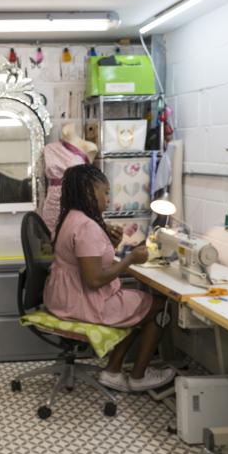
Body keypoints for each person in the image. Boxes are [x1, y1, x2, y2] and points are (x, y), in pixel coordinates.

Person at [42, 164, 174, 392]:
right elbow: (94, 280)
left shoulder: (71, 218)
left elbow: (89, 262)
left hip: (63, 298)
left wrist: (111, 245)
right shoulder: (87, 226)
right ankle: (138, 376)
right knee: (160, 307)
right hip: (82, 303)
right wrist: (130, 259)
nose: (108, 199)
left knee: (136, 305)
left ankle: (113, 371)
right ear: (88, 192)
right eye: (105, 192)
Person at [39, 123, 97, 232]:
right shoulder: (49, 148)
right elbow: (43, 180)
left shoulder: (89, 147)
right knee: (50, 236)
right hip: (52, 203)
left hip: (75, 197)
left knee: (75, 233)